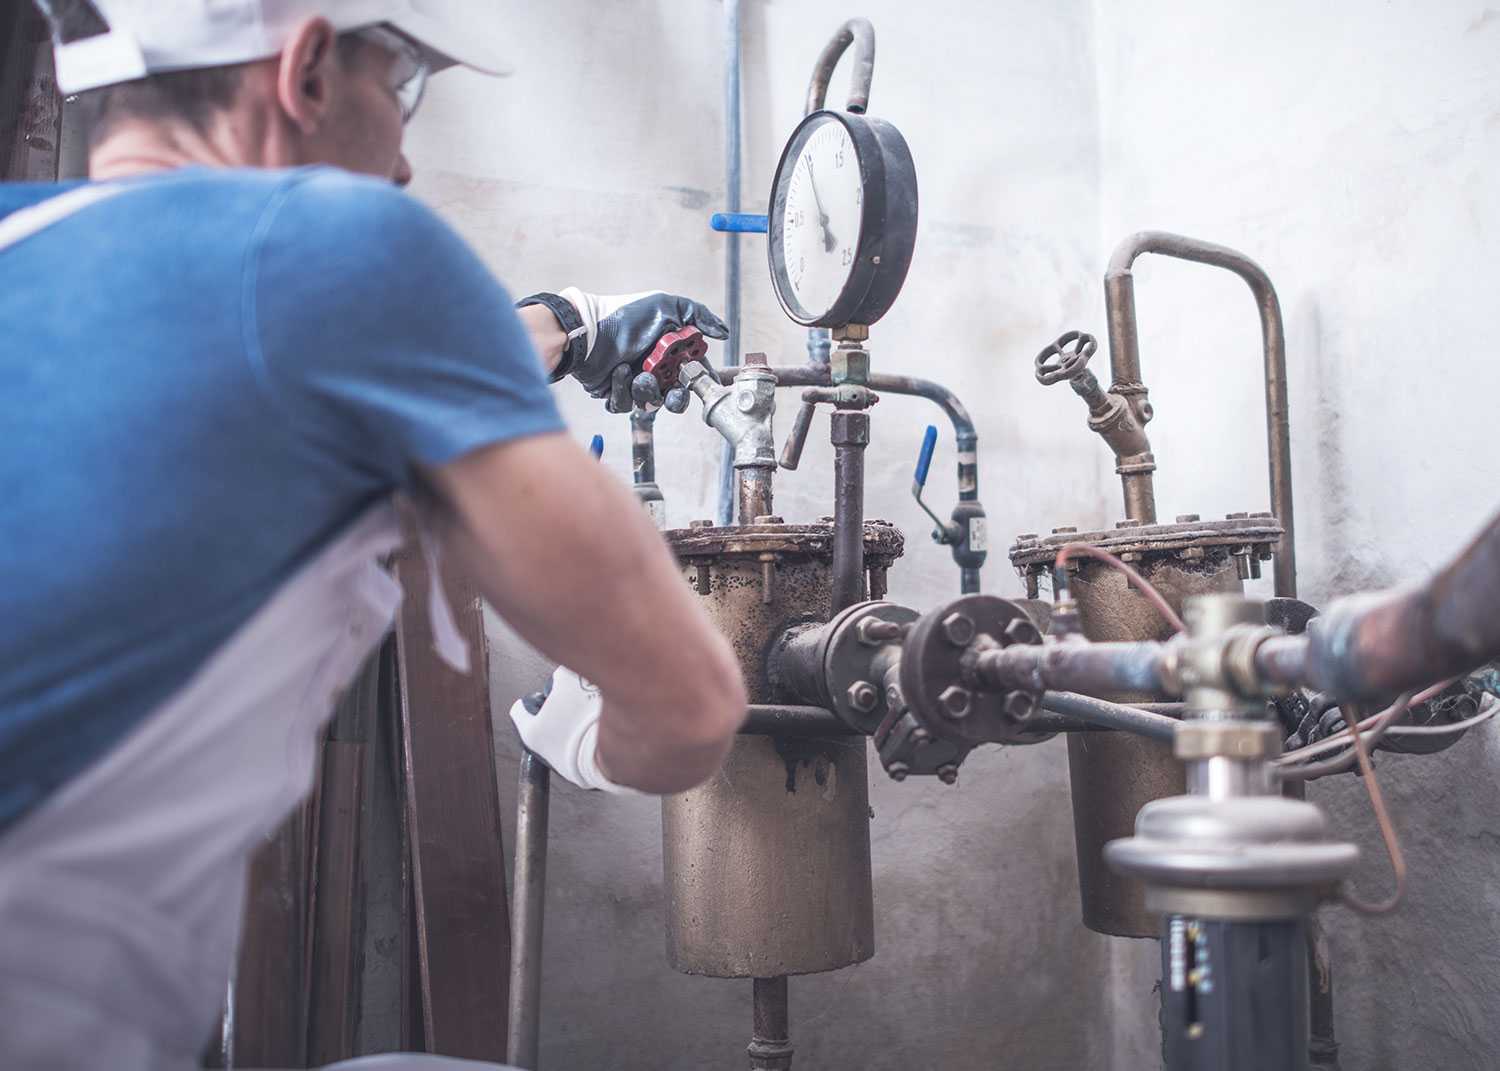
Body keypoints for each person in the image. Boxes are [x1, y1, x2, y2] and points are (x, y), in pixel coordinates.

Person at [0, 1, 748, 1067]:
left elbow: (230, 345)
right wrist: (576, 739)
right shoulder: (345, 240)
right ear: (305, 69)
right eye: (399, 88)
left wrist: (567, 324)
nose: (403, 159)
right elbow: (688, 708)